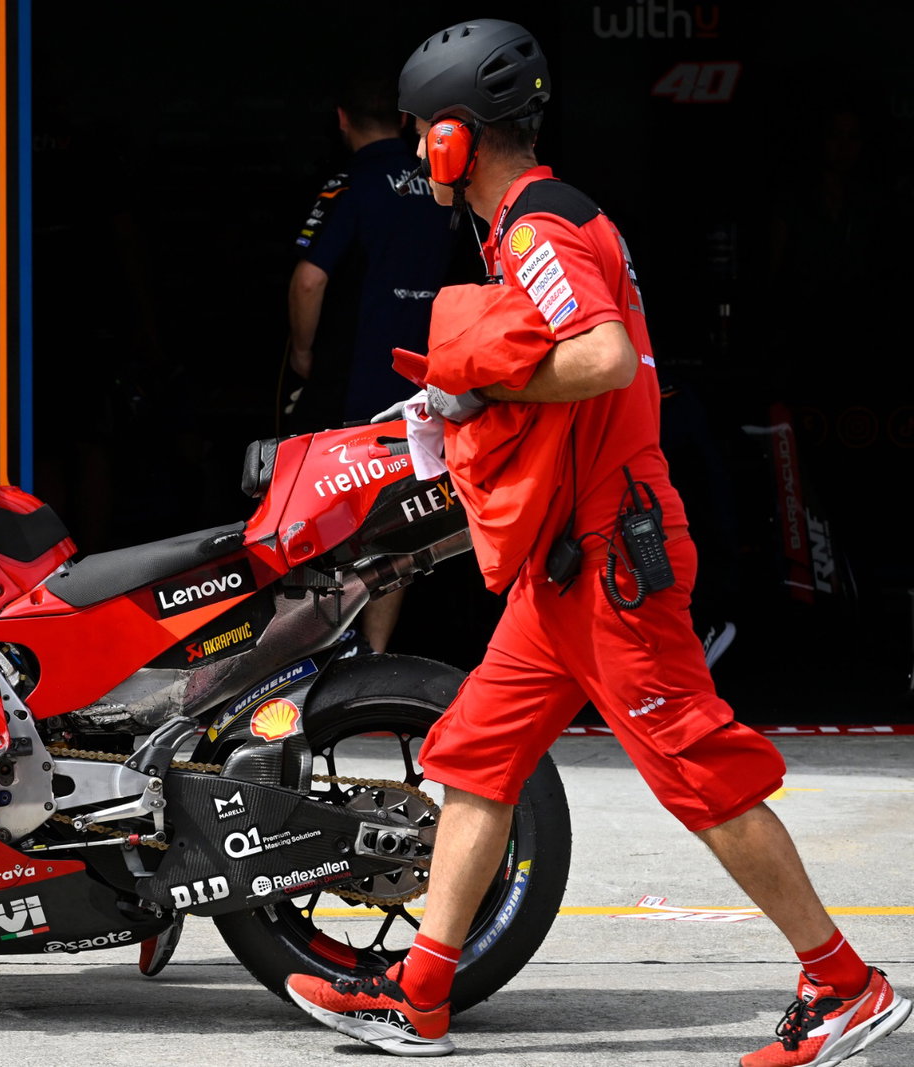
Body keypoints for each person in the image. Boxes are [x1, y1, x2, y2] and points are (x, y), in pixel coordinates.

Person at [284, 21, 909, 1065]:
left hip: (610, 556)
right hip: (564, 564)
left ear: (451, 140)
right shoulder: (531, 225)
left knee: (695, 767)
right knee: (478, 758)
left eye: (417, 137)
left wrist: (477, 386)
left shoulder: (537, 230)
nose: (410, 157)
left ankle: (843, 983)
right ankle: (421, 995)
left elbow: (604, 357)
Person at [282, 71, 462, 655]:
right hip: (434, 383)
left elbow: (310, 280)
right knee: (403, 517)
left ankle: (311, 654)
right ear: (406, 118)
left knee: (317, 517)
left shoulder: (352, 182)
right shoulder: (450, 182)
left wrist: (304, 354)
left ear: (341, 118)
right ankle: (374, 658)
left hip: (352, 384)